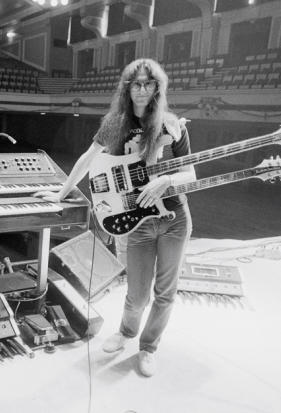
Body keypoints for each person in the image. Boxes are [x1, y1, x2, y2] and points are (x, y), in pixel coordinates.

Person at [34, 58, 195, 377]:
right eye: (136, 83)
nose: (142, 90)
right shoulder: (115, 123)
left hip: (174, 217)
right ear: (127, 87)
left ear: (158, 88)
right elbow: (87, 158)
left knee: (166, 293)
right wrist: (62, 192)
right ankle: (126, 332)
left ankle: (148, 346)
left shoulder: (170, 124)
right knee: (136, 295)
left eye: (149, 84)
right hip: (137, 222)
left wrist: (167, 179)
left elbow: (190, 172)